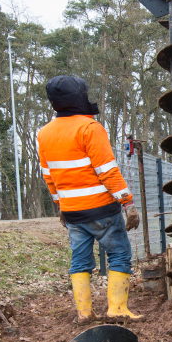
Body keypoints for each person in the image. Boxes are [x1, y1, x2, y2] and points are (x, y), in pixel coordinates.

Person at [37, 75, 142, 323]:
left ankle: (84, 313)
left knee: (80, 260)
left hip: (72, 212)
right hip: (102, 210)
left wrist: (60, 206)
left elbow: (48, 176)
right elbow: (107, 171)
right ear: (79, 97)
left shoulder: (44, 133)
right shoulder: (90, 128)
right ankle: (117, 309)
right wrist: (127, 203)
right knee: (119, 254)